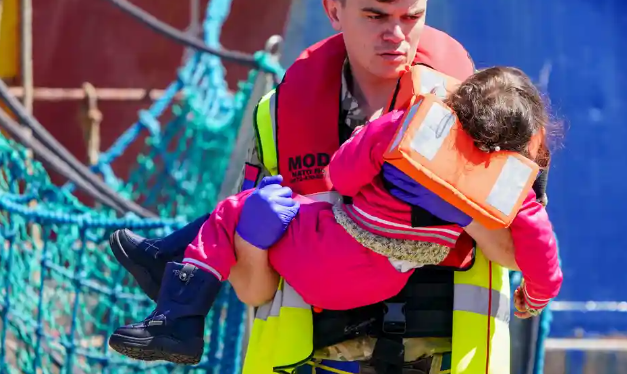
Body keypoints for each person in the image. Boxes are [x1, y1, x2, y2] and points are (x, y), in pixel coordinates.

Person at [108, 0, 549, 374]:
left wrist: (451, 193)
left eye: (411, 16)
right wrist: (254, 240)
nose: (396, 35)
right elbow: (254, 290)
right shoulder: (278, 114)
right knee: (232, 217)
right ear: (334, 12)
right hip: (315, 363)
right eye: (376, 16)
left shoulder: (479, 111)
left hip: (447, 359)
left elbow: (519, 250)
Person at [108, 66, 562, 365]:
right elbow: (543, 253)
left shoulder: (406, 125)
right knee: (241, 216)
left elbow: (341, 176)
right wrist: (535, 297)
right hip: (386, 278)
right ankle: (163, 258)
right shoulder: (507, 187)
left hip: (328, 258)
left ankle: (180, 318)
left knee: (237, 210)